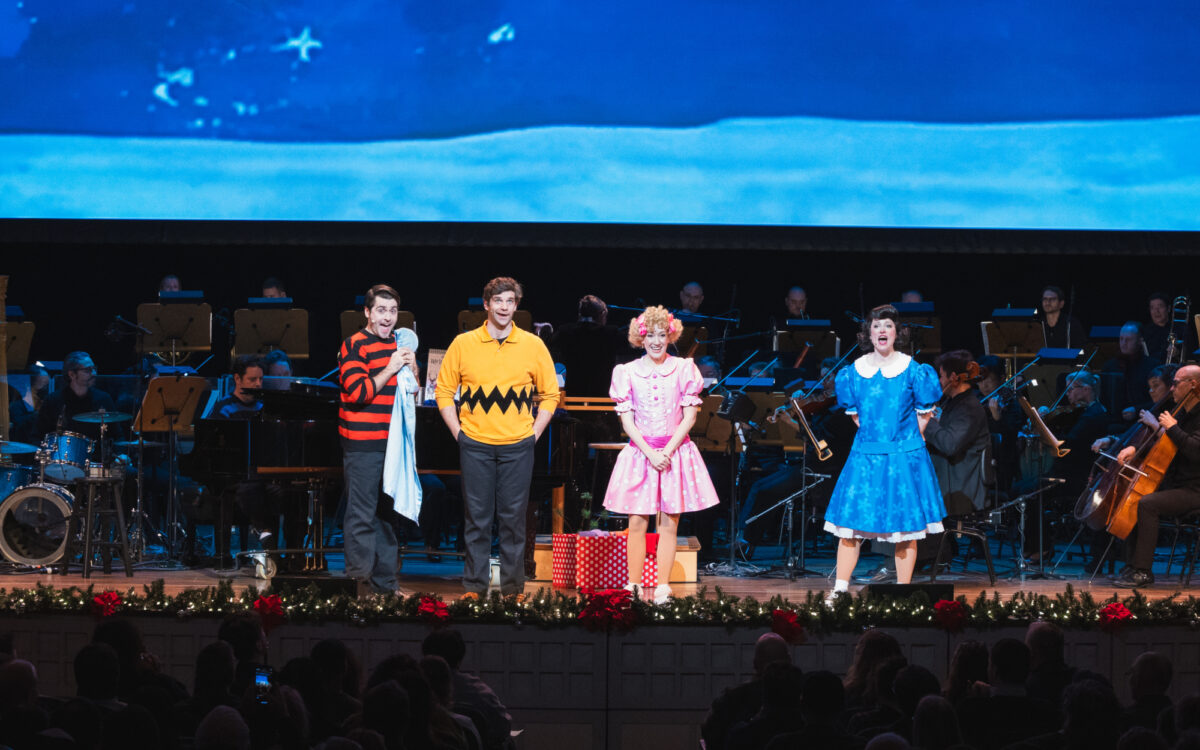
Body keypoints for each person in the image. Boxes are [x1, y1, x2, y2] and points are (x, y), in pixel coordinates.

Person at [436, 277, 560, 598]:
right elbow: (443, 392)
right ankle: (474, 589)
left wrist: (533, 434)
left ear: (516, 306)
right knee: (476, 519)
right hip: (474, 444)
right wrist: (459, 433)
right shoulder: (463, 344)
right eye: (498, 301)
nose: (504, 307)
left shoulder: (533, 345)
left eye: (510, 302)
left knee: (513, 521)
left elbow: (550, 395)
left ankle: (512, 590)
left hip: (517, 446)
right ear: (486, 304)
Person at [823, 305, 946, 595]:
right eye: (877, 326)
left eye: (888, 326)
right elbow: (857, 417)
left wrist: (908, 443)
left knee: (905, 529)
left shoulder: (914, 370)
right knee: (850, 526)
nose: (882, 330)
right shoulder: (854, 372)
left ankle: (902, 592)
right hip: (866, 456)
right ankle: (840, 590)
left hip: (903, 456)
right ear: (868, 333)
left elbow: (924, 413)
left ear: (896, 332)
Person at [602, 305, 720, 603]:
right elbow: (626, 420)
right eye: (650, 335)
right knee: (637, 523)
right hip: (641, 453)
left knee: (669, 522)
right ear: (640, 338)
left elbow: (689, 417)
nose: (656, 340)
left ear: (670, 336)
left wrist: (665, 452)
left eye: (661, 334)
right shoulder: (627, 372)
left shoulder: (683, 368)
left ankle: (664, 586)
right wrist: (650, 453)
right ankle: (634, 584)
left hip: (674, 452)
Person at [338, 284, 417, 598]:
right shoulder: (354, 345)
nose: (388, 317)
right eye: (381, 310)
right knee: (361, 515)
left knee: (387, 517)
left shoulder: (400, 346)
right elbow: (358, 393)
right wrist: (391, 368)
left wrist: (412, 370)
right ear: (368, 312)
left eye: (393, 311)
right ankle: (359, 587)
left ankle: (386, 586)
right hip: (363, 443)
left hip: (394, 444)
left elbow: (414, 393)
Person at [1114, 364, 1200, 587]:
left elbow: (1194, 450)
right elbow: (1162, 441)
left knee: (1149, 503)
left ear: (1193, 385)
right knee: (1135, 494)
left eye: (1176, 383)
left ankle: (1143, 571)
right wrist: (1136, 449)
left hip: (1194, 489)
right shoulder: (1181, 411)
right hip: (1176, 483)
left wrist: (1172, 428)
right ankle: (1131, 564)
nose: (1172, 389)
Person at [925, 350, 990, 516]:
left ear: (953, 377)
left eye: (941, 376)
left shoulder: (969, 408)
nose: (939, 381)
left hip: (959, 488)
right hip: (948, 479)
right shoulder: (953, 403)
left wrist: (927, 421)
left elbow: (950, 445)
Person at [549, 294, 628, 397]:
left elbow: (548, 347)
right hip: (603, 398)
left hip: (573, 397)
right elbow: (634, 344)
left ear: (579, 313)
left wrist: (546, 331)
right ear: (602, 314)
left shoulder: (565, 332)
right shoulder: (612, 333)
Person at [36, 351, 120, 442]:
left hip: (97, 455)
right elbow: (38, 435)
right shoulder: (53, 401)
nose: (94, 373)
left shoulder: (103, 399)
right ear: (72, 374)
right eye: (88, 370)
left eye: (94, 368)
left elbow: (118, 435)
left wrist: (121, 454)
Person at [1101, 322, 1160, 423]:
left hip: (1142, 421)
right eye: (1121, 339)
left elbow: (1158, 400)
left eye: (1128, 340)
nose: (1123, 343)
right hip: (1113, 422)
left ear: (1139, 341)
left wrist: (1137, 409)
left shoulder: (1152, 366)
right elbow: (1103, 398)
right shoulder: (1109, 366)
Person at [8, 364, 49, 444]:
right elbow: (19, 427)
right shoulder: (16, 406)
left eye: (45, 386)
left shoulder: (42, 402)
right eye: (42, 385)